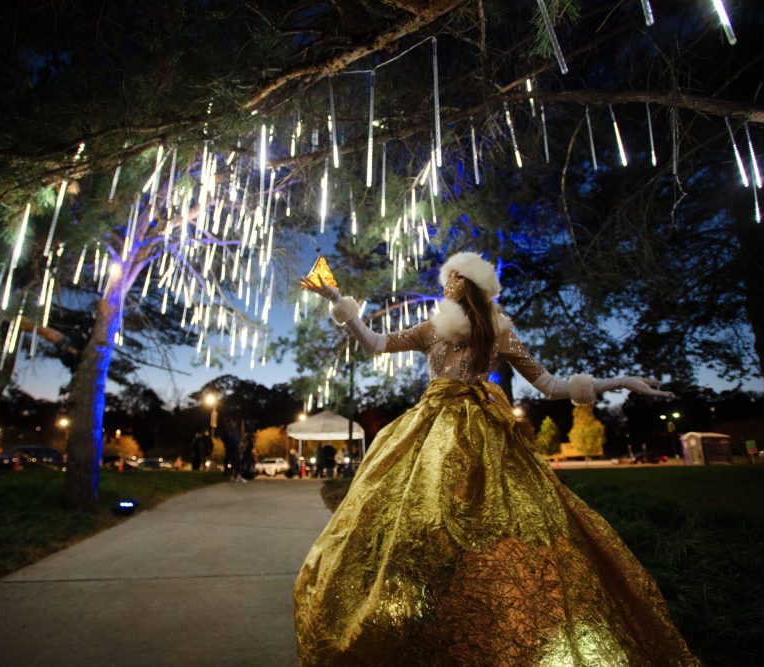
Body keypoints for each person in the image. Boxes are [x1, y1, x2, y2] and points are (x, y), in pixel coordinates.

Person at [294, 252, 699, 665]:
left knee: (490, 526)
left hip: (484, 437)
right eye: (448, 278)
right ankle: (418, 622)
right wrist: (338, 301)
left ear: (468, 285)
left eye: (454, 278)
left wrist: (617, 381)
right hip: (428, 433)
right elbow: (377, 343)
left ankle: (477, 618)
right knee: (416, 523)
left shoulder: (498, 333)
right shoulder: (433, 328)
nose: (448, 285)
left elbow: (549, 383)